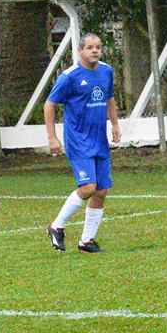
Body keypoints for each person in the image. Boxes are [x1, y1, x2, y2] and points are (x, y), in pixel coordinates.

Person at [45, 33, 120, 254]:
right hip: (78, 140)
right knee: (88, 187)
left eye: (97, 47)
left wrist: (115, 124)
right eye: (89, 47)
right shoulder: (69, 77)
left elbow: (109, 98)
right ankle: (56, 226)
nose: (94, 50)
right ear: (80, 51)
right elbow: (49, 105)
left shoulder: (106, 71)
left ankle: (86, 241)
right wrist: (52, 137)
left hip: (99, 139)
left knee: (102, 189)